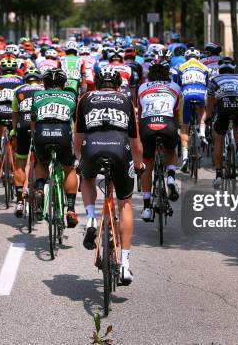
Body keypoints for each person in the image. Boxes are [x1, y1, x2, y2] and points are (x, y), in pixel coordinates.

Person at [74, 66, 144, 285]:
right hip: (120, 149)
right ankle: (124, 265)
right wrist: (139, 164)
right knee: (125, 203)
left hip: (92, 148)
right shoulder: (125, 101)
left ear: (97, 82)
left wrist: (79, 160)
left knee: (87, 178)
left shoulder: (85, 99)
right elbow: (136, 143)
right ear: (117, 84)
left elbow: (77, 137)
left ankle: (92, 218)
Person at [29, 68, 79, 227]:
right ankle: (70, 210)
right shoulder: (71, 95)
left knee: (42, 163)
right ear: (63, 84)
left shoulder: (37, 95)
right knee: (69, 168)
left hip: (42, 132)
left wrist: (33, 138)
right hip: (63, 132)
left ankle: (38, 189)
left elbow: (33, 120)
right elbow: (76, 123)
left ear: (44, 84)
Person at [137, 60, 181, 221]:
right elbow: (176, 113)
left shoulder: (142, 87)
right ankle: (170, 176)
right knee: (170, 149)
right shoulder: (175, 87)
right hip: (167, 123)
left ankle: (147, 207)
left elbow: (140, 112)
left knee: (147, 164)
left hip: (147, 126)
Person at [205, 57, 238, 189]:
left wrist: (209, 116)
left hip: (223, 107)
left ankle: (218, 176)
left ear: (220, 69)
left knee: (219, 139)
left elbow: (210, 101)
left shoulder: (214, 80)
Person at [11, 67, 45, 217]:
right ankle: (40, 189)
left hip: (23, 124)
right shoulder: (45, 89)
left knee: (20, 161)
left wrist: (13, 131)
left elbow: (15, 114)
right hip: (39, 124)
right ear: (40, 80)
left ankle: (19, 201)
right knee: (42, 161)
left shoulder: (18, 90)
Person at [175, 48, 210, 171]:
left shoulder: (181, 67)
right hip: (201, 92)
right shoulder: (204, 67)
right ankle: (202, 134)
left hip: (187, 93)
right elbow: (207, 84)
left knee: (184, 126)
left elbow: (178, 86)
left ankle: (185, 158)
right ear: (199, 58)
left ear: (186, 58)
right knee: (202, 109)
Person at [0, 56, 25, 172]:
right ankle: (14, 149)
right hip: (13, 111)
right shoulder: (21, 80)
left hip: (0, 110)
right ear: (16, 69)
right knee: (15, 132)